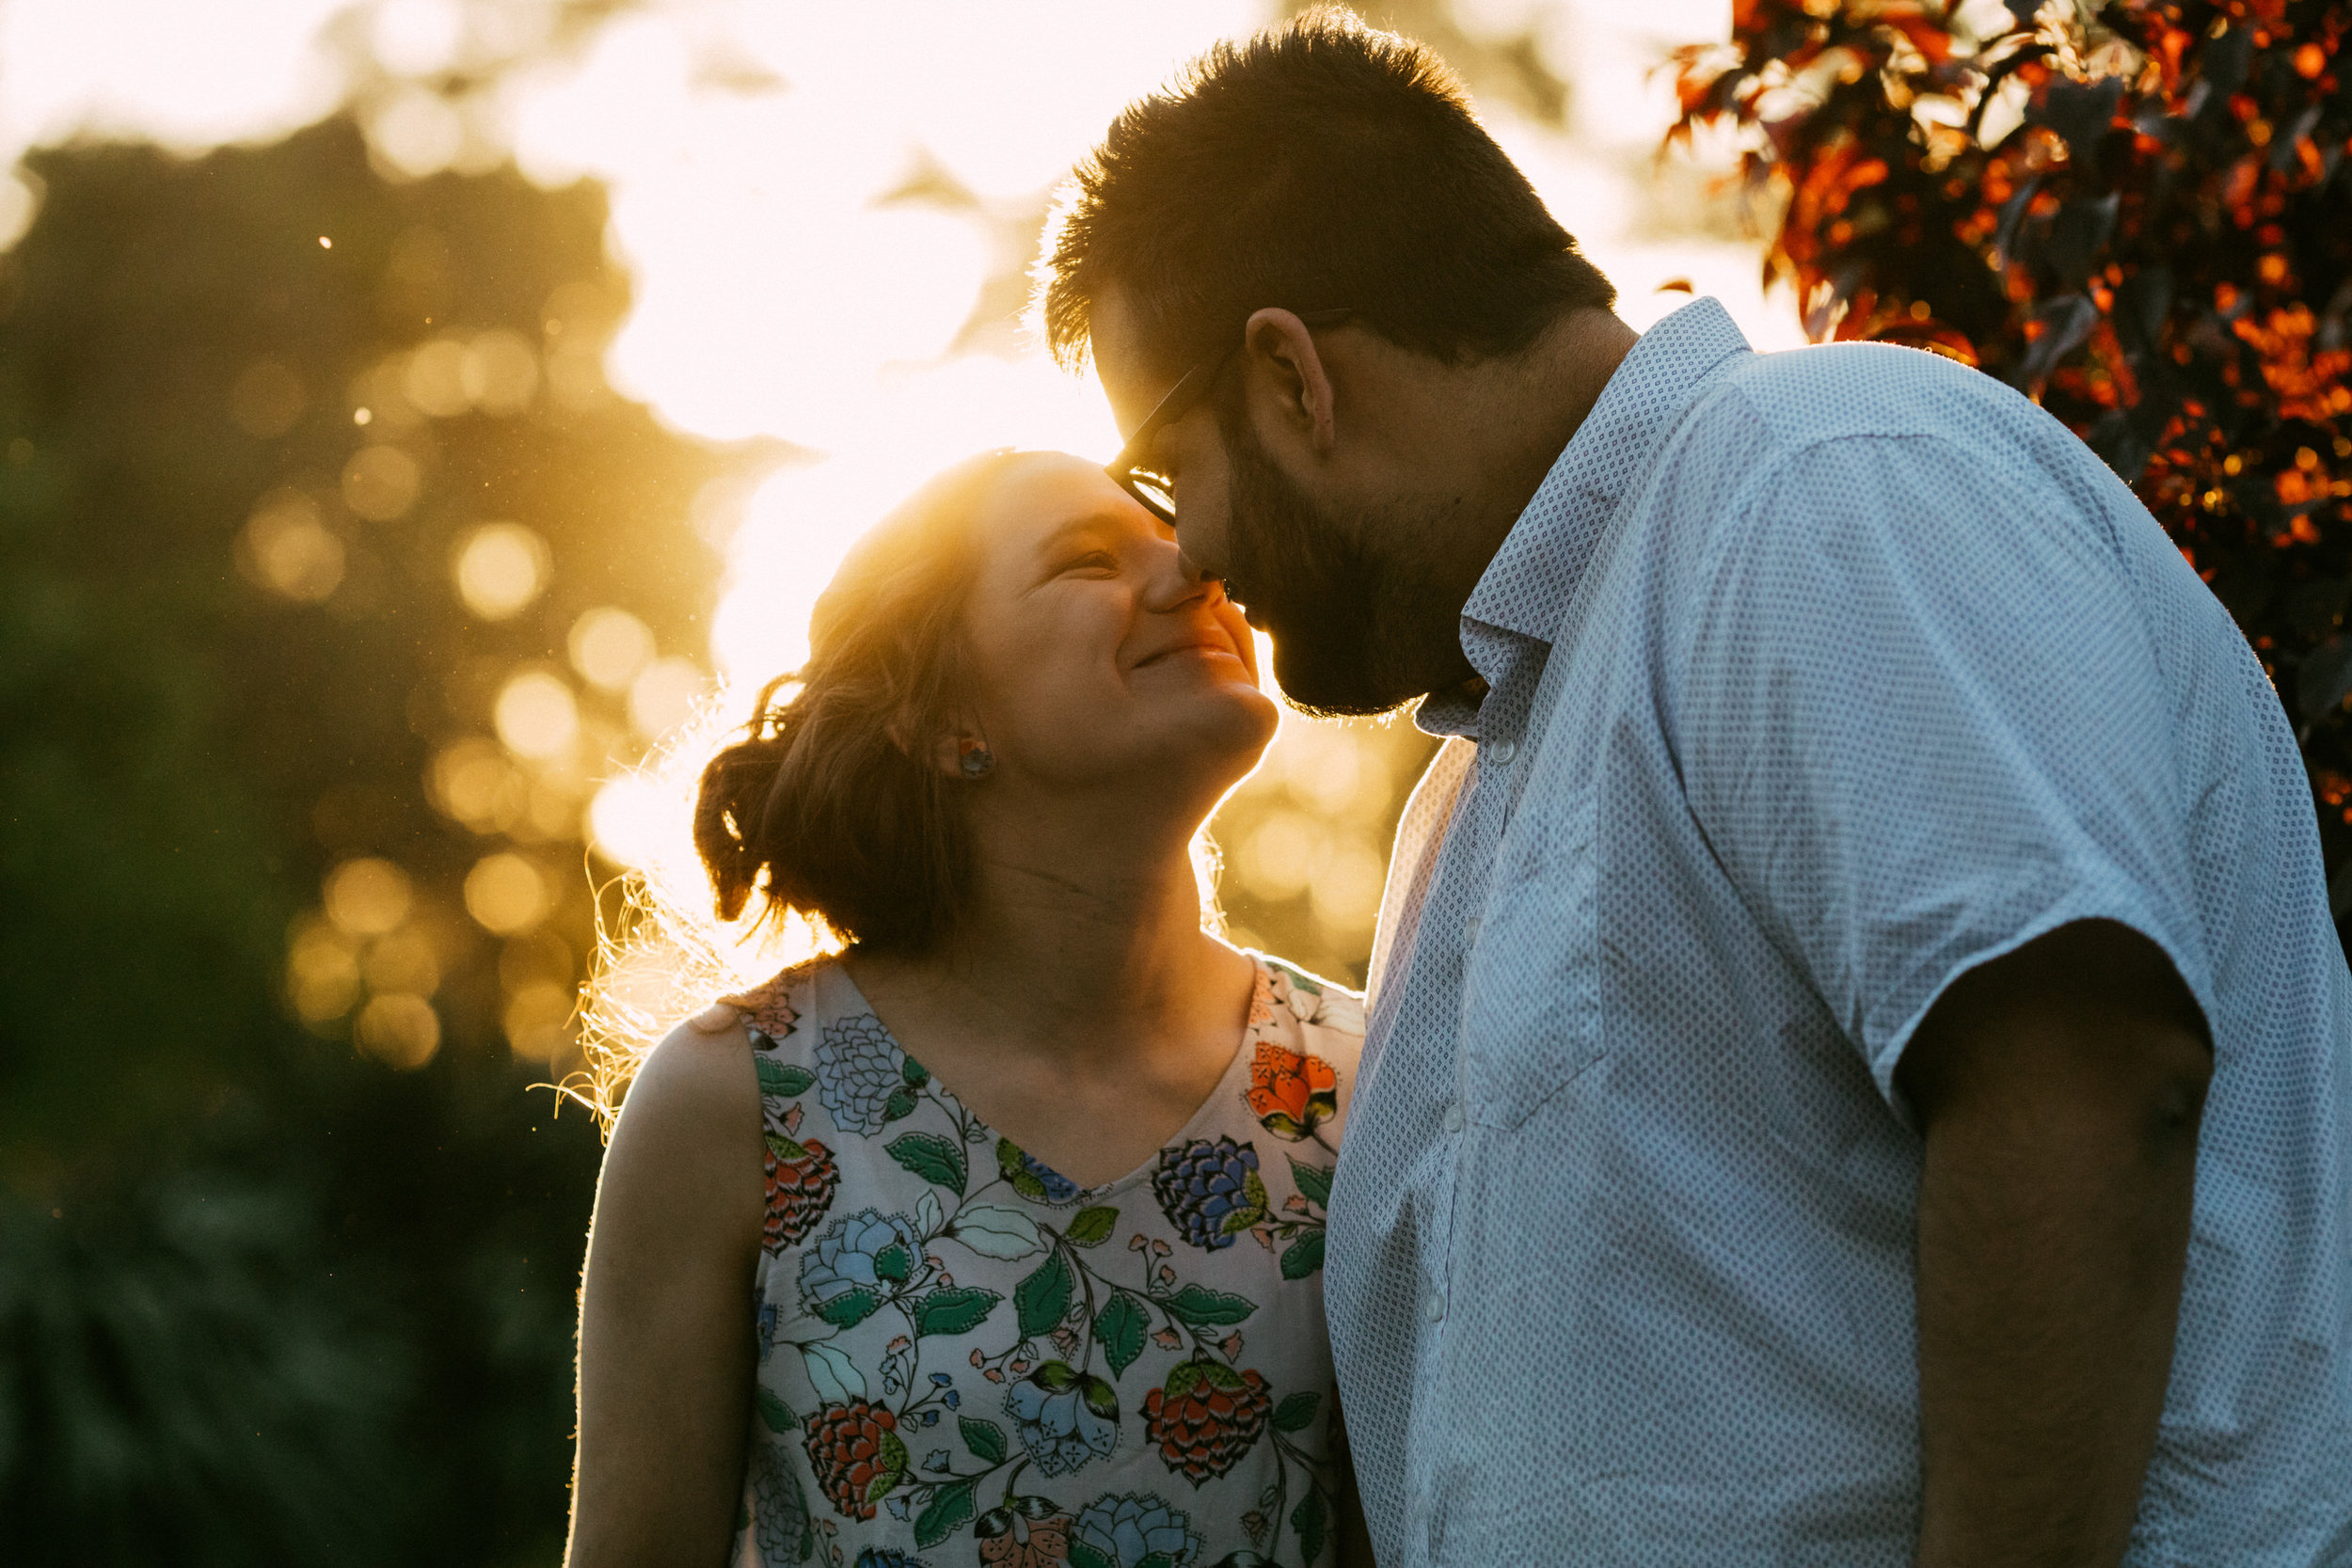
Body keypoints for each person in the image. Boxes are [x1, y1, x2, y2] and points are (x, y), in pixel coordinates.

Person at [1036, 11, 2352, 1568]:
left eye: (1169, 474)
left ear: (1291, 376)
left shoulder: (1819, 485)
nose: (1182, 554)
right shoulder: (1462, 804)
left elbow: (2076, 1075)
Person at [563, 451, 1375, 1568]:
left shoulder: (1369, 1079)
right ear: (945, 718)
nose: (1196, 565)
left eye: (1180, 535)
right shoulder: (739, 1104)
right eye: (1088, 558)